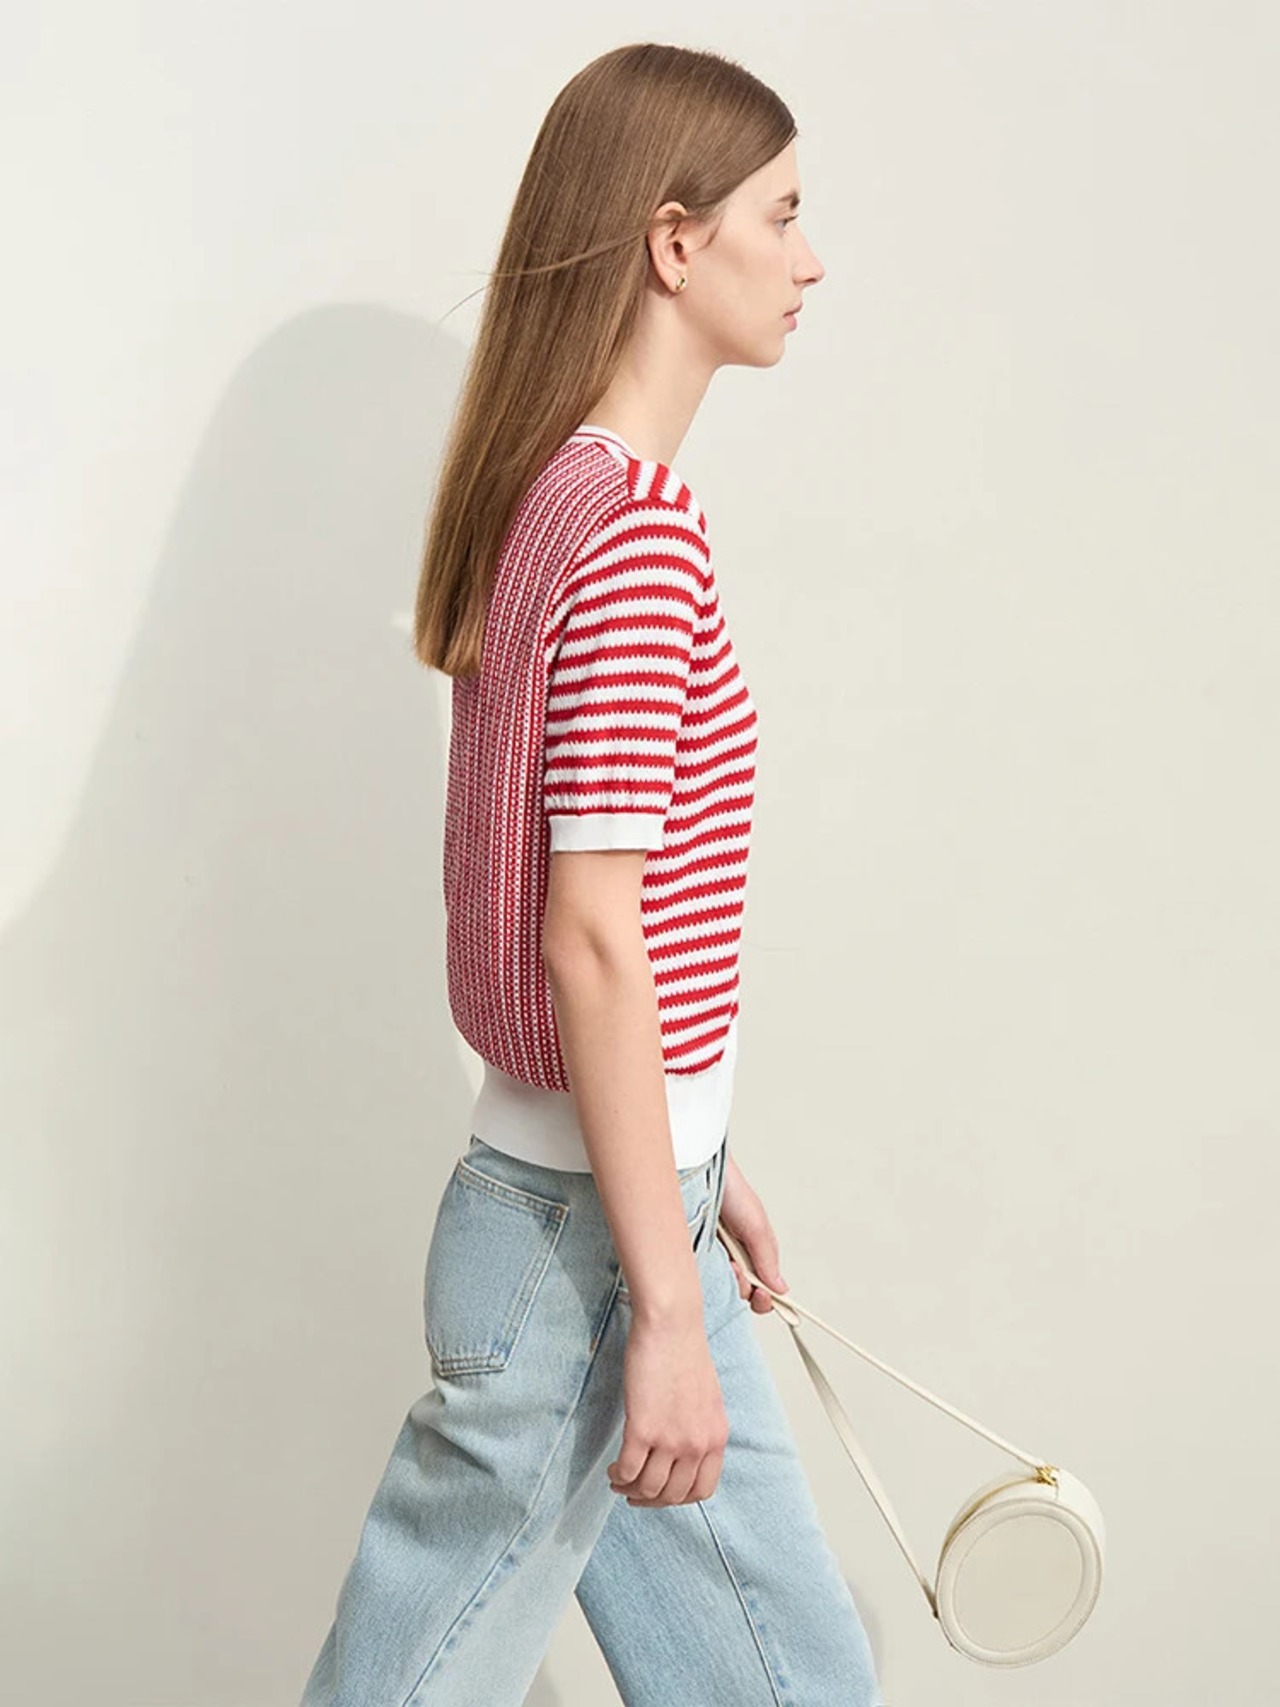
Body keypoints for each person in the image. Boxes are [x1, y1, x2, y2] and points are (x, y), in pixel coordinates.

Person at [299, 40, 884, 1707]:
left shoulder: (558, 495)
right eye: (784, 214)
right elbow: (591, 943)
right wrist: (666, 1310)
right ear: (675, 243)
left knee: (798, 1686)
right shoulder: (631, 535)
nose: (813, 260)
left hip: (621, 1211)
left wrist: (703, 1154)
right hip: (587, 1256)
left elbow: (608, 944)